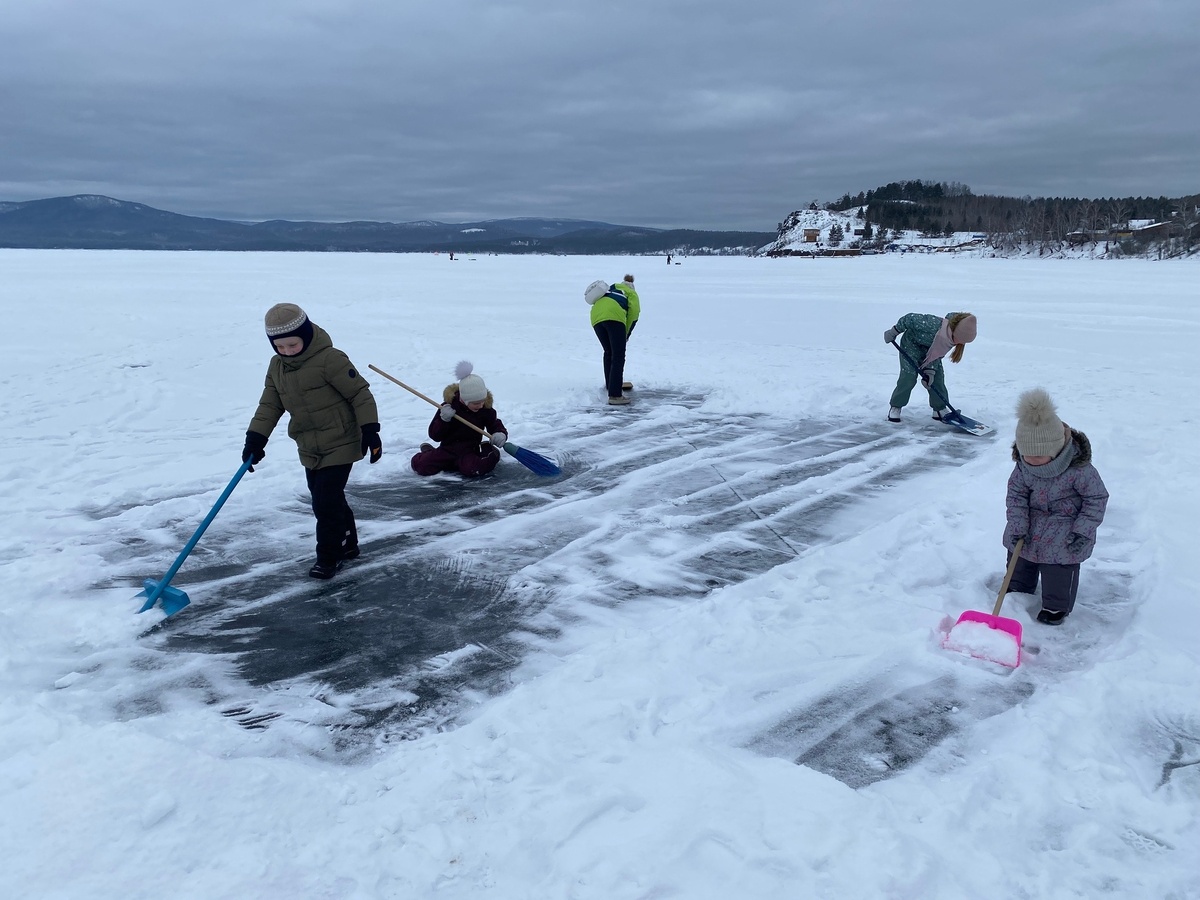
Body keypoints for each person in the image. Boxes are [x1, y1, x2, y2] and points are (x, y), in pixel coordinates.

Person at [242, 304, 382, 580]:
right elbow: (269, 405)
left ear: (306, 335)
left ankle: (329, 557)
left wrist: (370, 430)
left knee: (325, 503)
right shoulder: (277, 367)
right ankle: (349, 543)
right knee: (328, 498)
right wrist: (255, 439)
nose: (287, 351)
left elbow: (360, 394)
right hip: (309, 444)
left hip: (341, 440)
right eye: (279, 346)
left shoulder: (330, 359)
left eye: (292, 344)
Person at [1002, 389, 1108, 625]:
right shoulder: (1023, 467)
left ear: (1057, 449)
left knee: (1060, 568)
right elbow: (1016, 494)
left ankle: (1055, 607)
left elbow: (1096, 499)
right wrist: (1018, 524)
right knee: (1018, 560)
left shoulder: (1079, 470)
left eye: (1038, 456)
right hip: (1029, 524)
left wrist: (1083, 530)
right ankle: (1017, 596)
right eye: (1026, 455)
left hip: (1066, 529)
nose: (1031, 461)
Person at [411, 361, 508, 477]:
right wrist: (443, 420)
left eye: (483, 401)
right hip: (447, 450)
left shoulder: (485, 410)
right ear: (464, 400)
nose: (481, 405)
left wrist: (500, 433)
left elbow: (494, 424)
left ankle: (488, 449)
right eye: (476, 403)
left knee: (475, 470)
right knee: (421, 466)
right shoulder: (448, 407)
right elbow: (434, 435)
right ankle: (429, 453)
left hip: (469, 452)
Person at [883, 311, 977, 422]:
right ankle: (896, 407)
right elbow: (909, 318)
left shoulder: (951, 339)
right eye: (959, 340)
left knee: (937, 379)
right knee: (908, 377)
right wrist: (894, 331)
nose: (958, 343)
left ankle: (939, 408)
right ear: (955, 332)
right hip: (911, 345)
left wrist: (930, 371)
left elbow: (937, 355)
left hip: (929, 351)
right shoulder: (932, 324)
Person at [586, 274, 640, 406]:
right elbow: (633, 315)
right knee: (618, 355)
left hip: (596, 317)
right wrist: (626, 334)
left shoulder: (612, 288)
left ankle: (612, 385)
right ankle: (615, 395)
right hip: (614, 316)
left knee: (608, 352)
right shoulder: (631, 293)